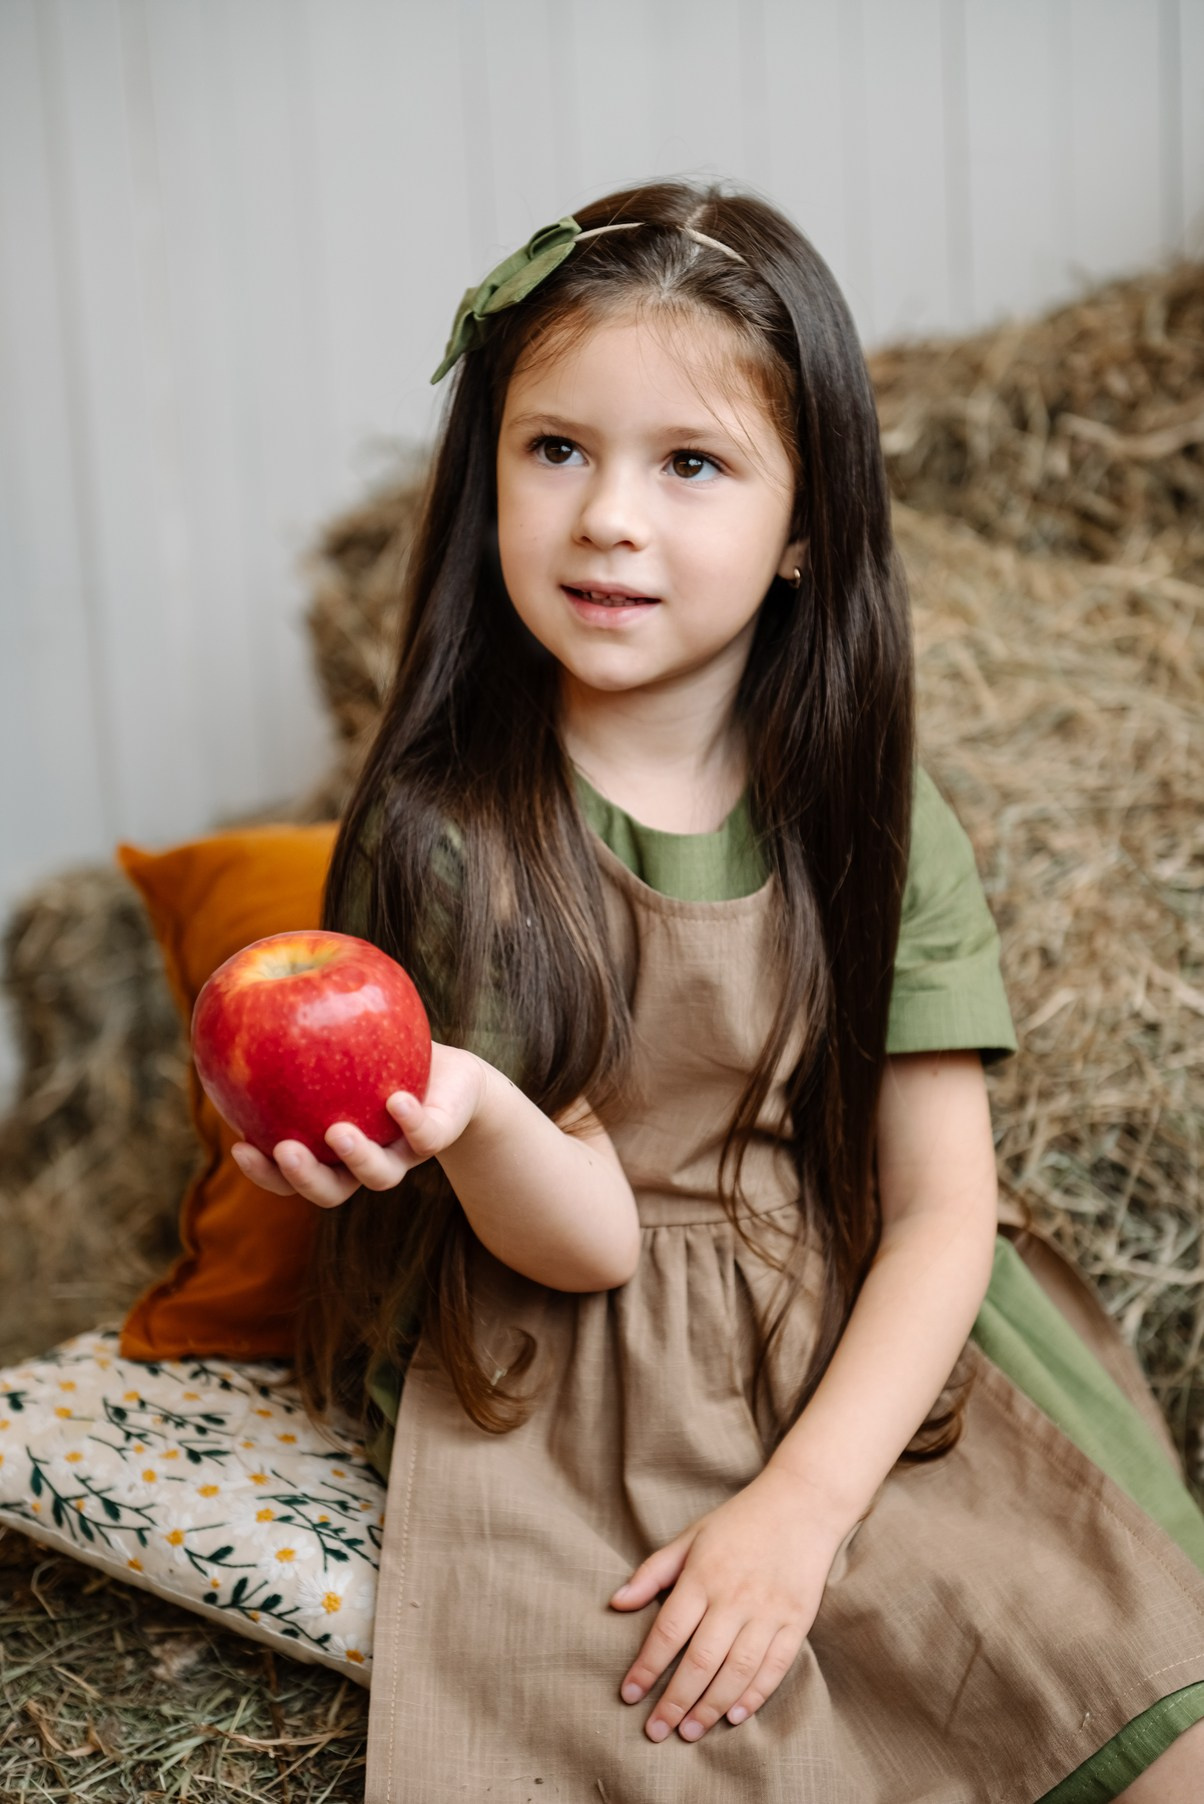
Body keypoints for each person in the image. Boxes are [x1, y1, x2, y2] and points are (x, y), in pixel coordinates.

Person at [231, 182, 1204, 1803]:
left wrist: (804, 1512)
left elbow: (946, 1214)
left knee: (1124, 1716)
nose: (611, 515)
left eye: (691, 464)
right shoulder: (452, 835)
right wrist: (464, 1109)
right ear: (488, 481)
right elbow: (587, 1237)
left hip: (876, 1360)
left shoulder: (873, 808)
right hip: (588, 1372)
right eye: (557, 450)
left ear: (808, 524)